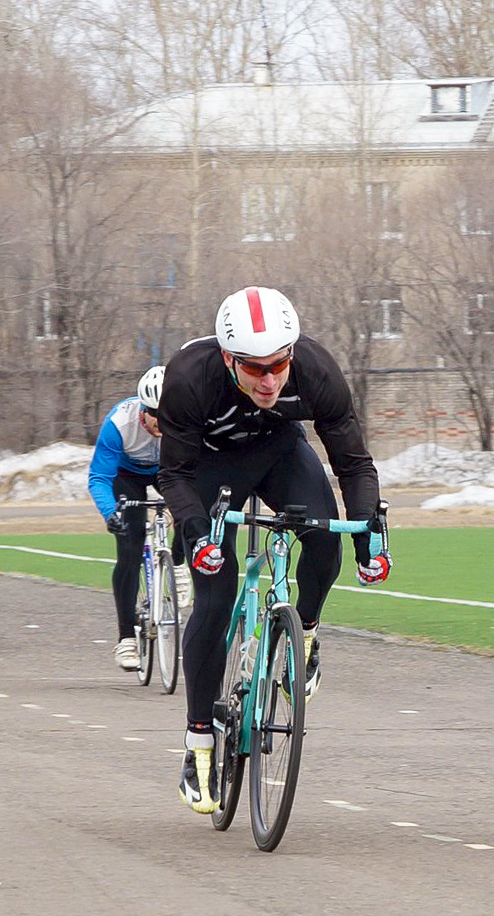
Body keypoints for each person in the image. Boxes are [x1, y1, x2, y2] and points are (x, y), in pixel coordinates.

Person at [157, 287, 390, 813]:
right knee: (215, 599)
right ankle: (198, 744)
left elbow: (354, 464)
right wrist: (197, 534)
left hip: (281, 453)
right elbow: (173, 473)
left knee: (326, 541)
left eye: (279, 365)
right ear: (226, 358)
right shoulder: (190, 376)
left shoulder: (316, 370)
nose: (269, 379)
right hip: (211, 469)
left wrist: (370, 540)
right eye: (254, 368)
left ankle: (303, 635)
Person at [87, 366, 165, 670]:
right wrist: (110, 513)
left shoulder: (184, 421)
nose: (161, 421)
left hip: (166, 470)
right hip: (125, 474)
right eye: (154, 413)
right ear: (142, 409)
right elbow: (99, 477)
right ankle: (126, 638)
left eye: (167, 413)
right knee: (130, 546)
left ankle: (179, 565)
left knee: (192, 512)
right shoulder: (119, 423)